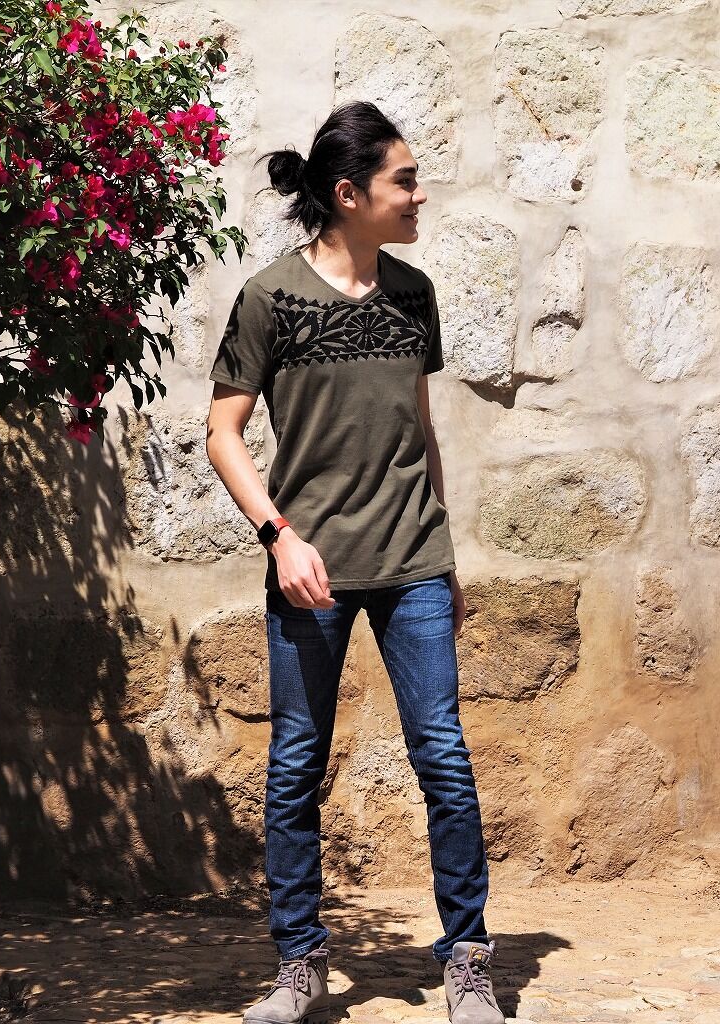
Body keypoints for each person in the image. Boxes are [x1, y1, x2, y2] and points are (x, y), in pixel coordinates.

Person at [204, 100, 503, 1024]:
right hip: (311, 572)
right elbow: (222, 433)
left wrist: (444, 554)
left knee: (442, 756)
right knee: (297, 763)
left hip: (413, 561)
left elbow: (419, 429)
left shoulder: (415, 295)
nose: (419, 195)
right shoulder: (270, 298)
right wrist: (279, 536)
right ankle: (298, 964)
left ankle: (468, 961)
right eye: (403, 181)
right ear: (348, 194)